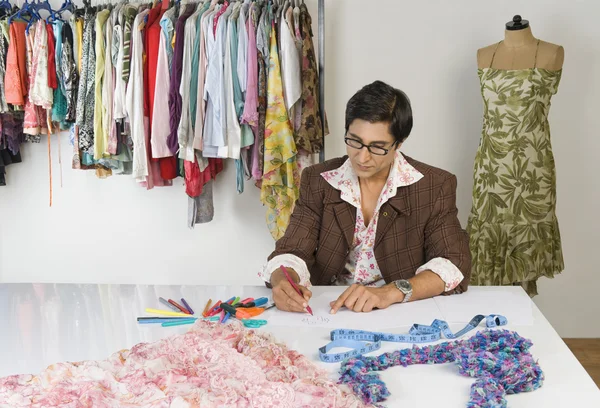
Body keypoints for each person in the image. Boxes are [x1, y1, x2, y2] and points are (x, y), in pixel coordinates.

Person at [258, 80, 471, 314]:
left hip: (395, 312)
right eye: (355, 141)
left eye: (377, 147)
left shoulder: (433, 185)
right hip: (325, 309)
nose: (362, 157)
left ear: (399, 143)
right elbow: (292, 250)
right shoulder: (319, 180)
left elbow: (453, 263)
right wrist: (282, 281)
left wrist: (391, 292)